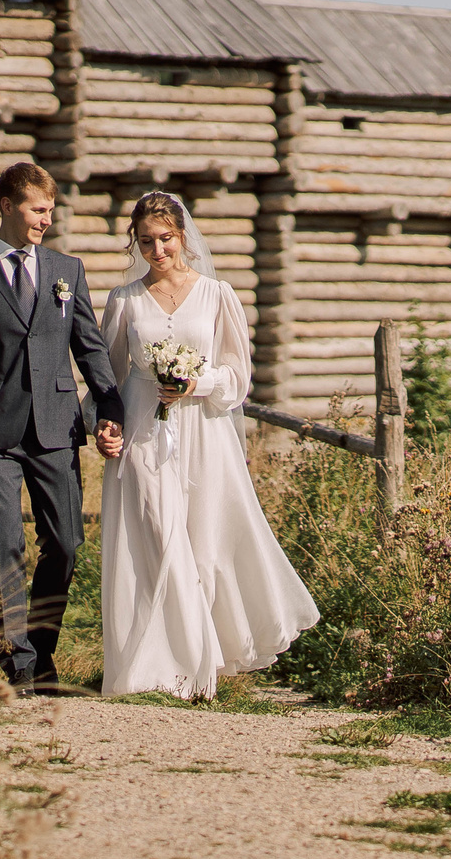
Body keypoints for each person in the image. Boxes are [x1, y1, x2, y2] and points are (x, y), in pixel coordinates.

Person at [97, 190, 319, 699]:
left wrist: (195, 383)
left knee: (203, 545)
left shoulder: (218, 296)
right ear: (136, 243)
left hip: (204, 433)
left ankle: (203, 668)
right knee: (155, 537)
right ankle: (160, 669)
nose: (158, 251)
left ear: (184, 238)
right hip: (145, 434)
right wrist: (104, 426)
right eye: (147, 241)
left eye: (166, 239)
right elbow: (107, 377)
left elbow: (238, 377)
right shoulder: (124, 301)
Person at [0, 162, 125, 693]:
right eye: (38, 209)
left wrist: (111, 408)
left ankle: (41, 648)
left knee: (65, 543)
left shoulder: (68, 269)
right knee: (5, 542)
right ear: (7, 206)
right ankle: (18, 663)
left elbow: (89, 348)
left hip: (56, 428)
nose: (47, 219)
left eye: (50, 210)